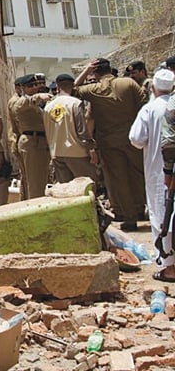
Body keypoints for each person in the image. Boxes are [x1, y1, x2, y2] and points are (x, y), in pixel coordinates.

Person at [73, 58, 147, 231]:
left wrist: (85, 71)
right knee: (137, 174)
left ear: (95, 73)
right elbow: (143, 106)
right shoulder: (129, 83)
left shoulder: (94, 89)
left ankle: (129, 218)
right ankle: (140, 209)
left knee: (119, 178)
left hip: (109, 142)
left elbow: (72, 90)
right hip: (132, 138)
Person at [130, 69, 175, 282]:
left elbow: (136, 138)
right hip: (169, 170)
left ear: (153, 88)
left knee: (161, 216)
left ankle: (168, 266)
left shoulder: (149, 109)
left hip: (158, 172)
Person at [43, 74, 98, 184]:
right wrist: (91, 149)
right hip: (77, 152)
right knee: (86, 187)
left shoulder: (48, 106)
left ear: (58, 87)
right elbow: (81, 130)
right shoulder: (75, 103)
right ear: (73, 86)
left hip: (57, 153)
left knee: (66, 191)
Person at [9, 74, 51, 199]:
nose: (34, 88)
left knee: (41, 180)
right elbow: (26, 101)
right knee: (34, 182)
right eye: (30, 86)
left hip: (40, 143)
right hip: (31, 143)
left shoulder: (36, 105)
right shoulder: (21, 101)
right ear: (22, 88)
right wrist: (38, 96)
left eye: (35, 85)